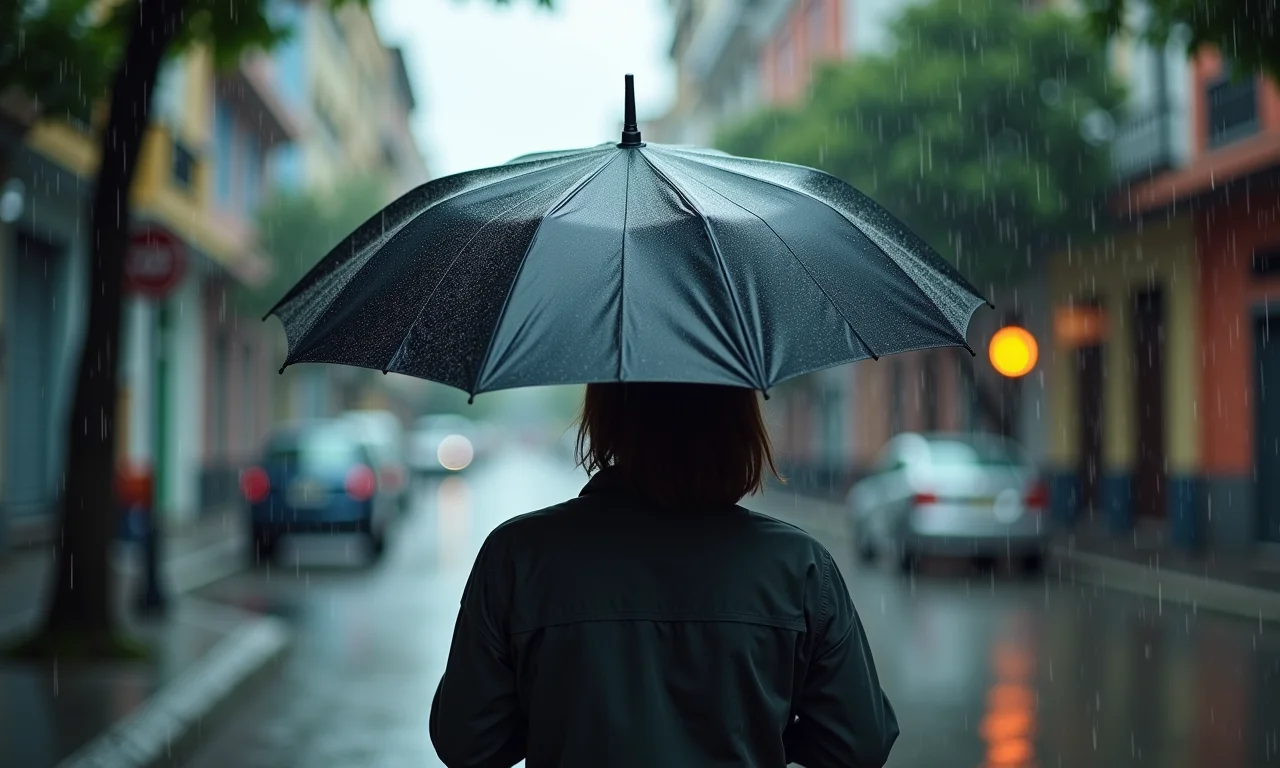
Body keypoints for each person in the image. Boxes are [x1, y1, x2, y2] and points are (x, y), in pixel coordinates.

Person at [430, 382, 899, 768]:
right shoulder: (799, 566)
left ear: (607, 415)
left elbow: (467, 742)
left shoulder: (519, 555)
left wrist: (559, 717)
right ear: (738, 421)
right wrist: (766, 729)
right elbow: (858, 743)